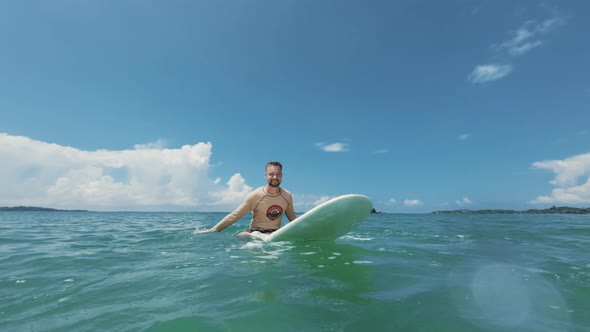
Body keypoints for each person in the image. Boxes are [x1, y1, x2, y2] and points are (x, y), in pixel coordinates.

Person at [194, 161, 296, 235]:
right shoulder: (256, 195)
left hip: (275, 233)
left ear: (281, 175)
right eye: (271, 174)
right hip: (255, 232)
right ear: (265, 176)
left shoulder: (287, 196)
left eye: (278, 174)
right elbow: (234, 215)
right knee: (242, 235)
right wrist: (214, 230)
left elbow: (293, 219)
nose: (275, 177)